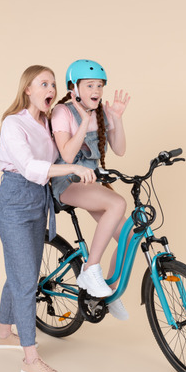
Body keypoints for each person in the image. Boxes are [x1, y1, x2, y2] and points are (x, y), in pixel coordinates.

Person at [0, 65, 96, 372]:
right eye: (43, 83)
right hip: (15, 198)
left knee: (24, 270)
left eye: (53, 83)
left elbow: (63, 154)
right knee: (25, 280)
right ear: (28, 89)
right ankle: (31, 358)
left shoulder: (48, 124)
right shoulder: (14, 123)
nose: (50, 88)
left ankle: (3, 332)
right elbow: (28, 166)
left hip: (39, 199)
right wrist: (71, 168)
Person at [51, 59, 130, 320]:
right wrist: (84, 121)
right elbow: (68, 155)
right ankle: (90, 269)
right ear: (74, 88)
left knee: (129, 237)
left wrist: (116, 119)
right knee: (118, 204)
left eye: (99, 85)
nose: (96, 90)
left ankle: (108, 292)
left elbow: (119, 149)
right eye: (89, 85)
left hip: (91, 183)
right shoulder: (62, 112)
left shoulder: (102, 112)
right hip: (67, 182)